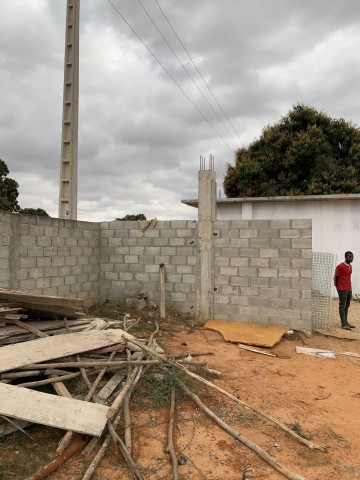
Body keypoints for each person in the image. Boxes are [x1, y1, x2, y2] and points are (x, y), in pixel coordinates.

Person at [334, 251, 355, 330]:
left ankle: (346, 322)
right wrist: (338, 287)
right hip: (342, 289)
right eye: (349, 257)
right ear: (345, 257)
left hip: (349, 289)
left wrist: (349, 288)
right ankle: (343, 324)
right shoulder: (340, 266)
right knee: (342, 306)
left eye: (352, 257)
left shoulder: (350, 266)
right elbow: (336, 276)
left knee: (347, 306)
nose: (351, 258)